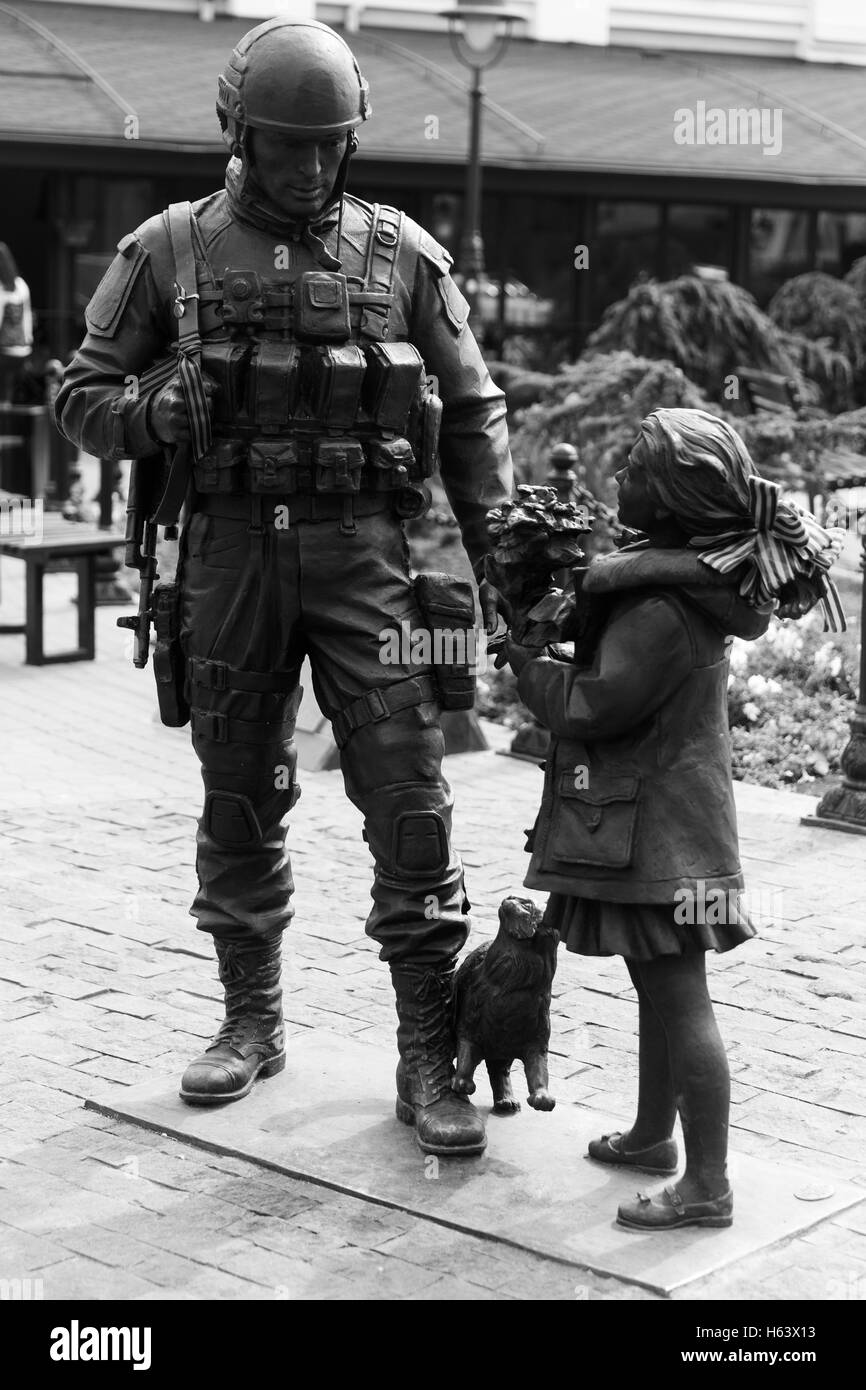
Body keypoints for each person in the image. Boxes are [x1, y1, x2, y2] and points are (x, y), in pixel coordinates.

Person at [54, 18, 512, 1157]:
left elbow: (477, 415)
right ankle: (250, 1018)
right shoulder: (166, 249)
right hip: (226, 557)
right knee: (238, 793)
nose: (308, 169)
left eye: (328, 147)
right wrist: (147, 412)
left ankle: (425, 1049)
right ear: (238, 132)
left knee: (409, 802)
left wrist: (505, 567)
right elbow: (80, 393)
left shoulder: (403, 252)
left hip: (368, 556)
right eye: (284, 146)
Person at [505, 408, 844, 1229]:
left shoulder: (660, 609)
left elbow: (596, 705)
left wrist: (527, 670)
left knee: (678, 997)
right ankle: (656, 1135)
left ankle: (708, 1186)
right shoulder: (678, 589)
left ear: (669, 493)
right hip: (664, 827)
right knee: (656, 987)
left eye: (630, 469)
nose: (616, 480)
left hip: (657, 837)